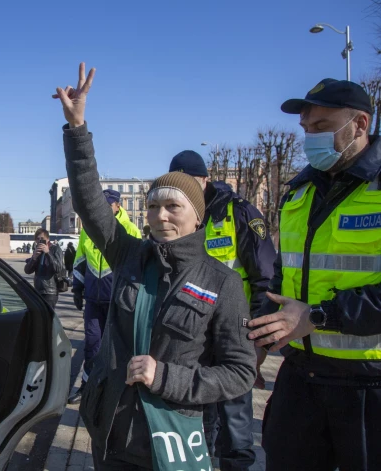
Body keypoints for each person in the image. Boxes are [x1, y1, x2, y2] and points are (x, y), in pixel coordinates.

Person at [54, 63, 255, 470]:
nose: (160, 216)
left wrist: (165, 376)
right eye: (152, 206)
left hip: (172, 438)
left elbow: (238, 374)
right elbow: (90, 204)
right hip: (112, 433)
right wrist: (78, 131)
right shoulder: (131, 255)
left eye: (172, 206)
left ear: (196, 216)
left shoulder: (223, 282)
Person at [247, 79, 381, 470]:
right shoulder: (299, 192)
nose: (310, 139)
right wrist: (261, 339)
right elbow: (281, 279)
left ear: (359, 124)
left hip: (369, 387)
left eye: (321, 128)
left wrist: (320, 316)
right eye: (306, 130)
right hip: (302, 378)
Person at [169, 150, 276, 470]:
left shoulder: (238, 213)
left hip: (235, 333)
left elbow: (265, 279)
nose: (181, 192)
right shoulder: (179, 217)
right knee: (197, 420)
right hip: (193, 335)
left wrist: (258, 339)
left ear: (204, 180)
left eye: (187, 183)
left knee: (235, 425)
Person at [68, 189, 141, 405]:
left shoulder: (130, 230)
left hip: (116, 301)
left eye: (109, 206)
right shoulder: (88, 230)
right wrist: (77, 289)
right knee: (92, 345)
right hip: (93, 299)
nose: (105, 210)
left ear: (118, 206)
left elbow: (135, 269)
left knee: (117, 349)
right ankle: (88, 388)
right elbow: (80, 261)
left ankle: (115, 393)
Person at [24, 228, 64, 308]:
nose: (39, 241)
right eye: (37, 239)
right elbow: (27, 270)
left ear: (48, 239)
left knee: (47, 317)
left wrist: (48, 253)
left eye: (42, 239)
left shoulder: (55, 249)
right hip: (38, 290)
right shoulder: (37, 251)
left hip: (50, 291)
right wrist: (34, 258)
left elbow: (58, 268)